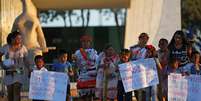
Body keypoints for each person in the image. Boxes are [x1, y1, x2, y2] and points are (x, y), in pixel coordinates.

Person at [11, 0, 48, 66]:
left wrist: (43, 45)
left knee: (35, 69)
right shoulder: (18, 20)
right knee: (23, 69)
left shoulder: (32, 19)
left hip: (34, 48)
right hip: (22, 49)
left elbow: (40, 35)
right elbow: (12, 36)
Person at [0, 31, 30, 101]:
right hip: (9, 73)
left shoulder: (23, 48)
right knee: (10, 94)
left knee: (16, 93)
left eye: (20, 38)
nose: (20, 40)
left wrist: (29, 69)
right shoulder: (6, 47)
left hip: (19, 72)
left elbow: (26, 60)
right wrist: (2, 64)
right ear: (12, 39)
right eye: (17, 38)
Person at [74, 34, 98, 101]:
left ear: (90, 43)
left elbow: (97, 64)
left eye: (87, 41)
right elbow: (76, 65)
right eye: (83, 41)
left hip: (92, 77)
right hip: (82, 76)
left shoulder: (94, 52)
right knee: (82, 97)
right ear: (81, 43)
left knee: (92, 97)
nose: (85, 43)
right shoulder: (77, 53)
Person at [130, 32, 149, 101]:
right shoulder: (132, 48)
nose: (144, 40)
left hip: (145, 73)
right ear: (139, 39)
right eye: (142, 38)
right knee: (137, 91)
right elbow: (130, 59)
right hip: (135, 72)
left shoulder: (149, 49)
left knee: (144, 92)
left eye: (146, 38)